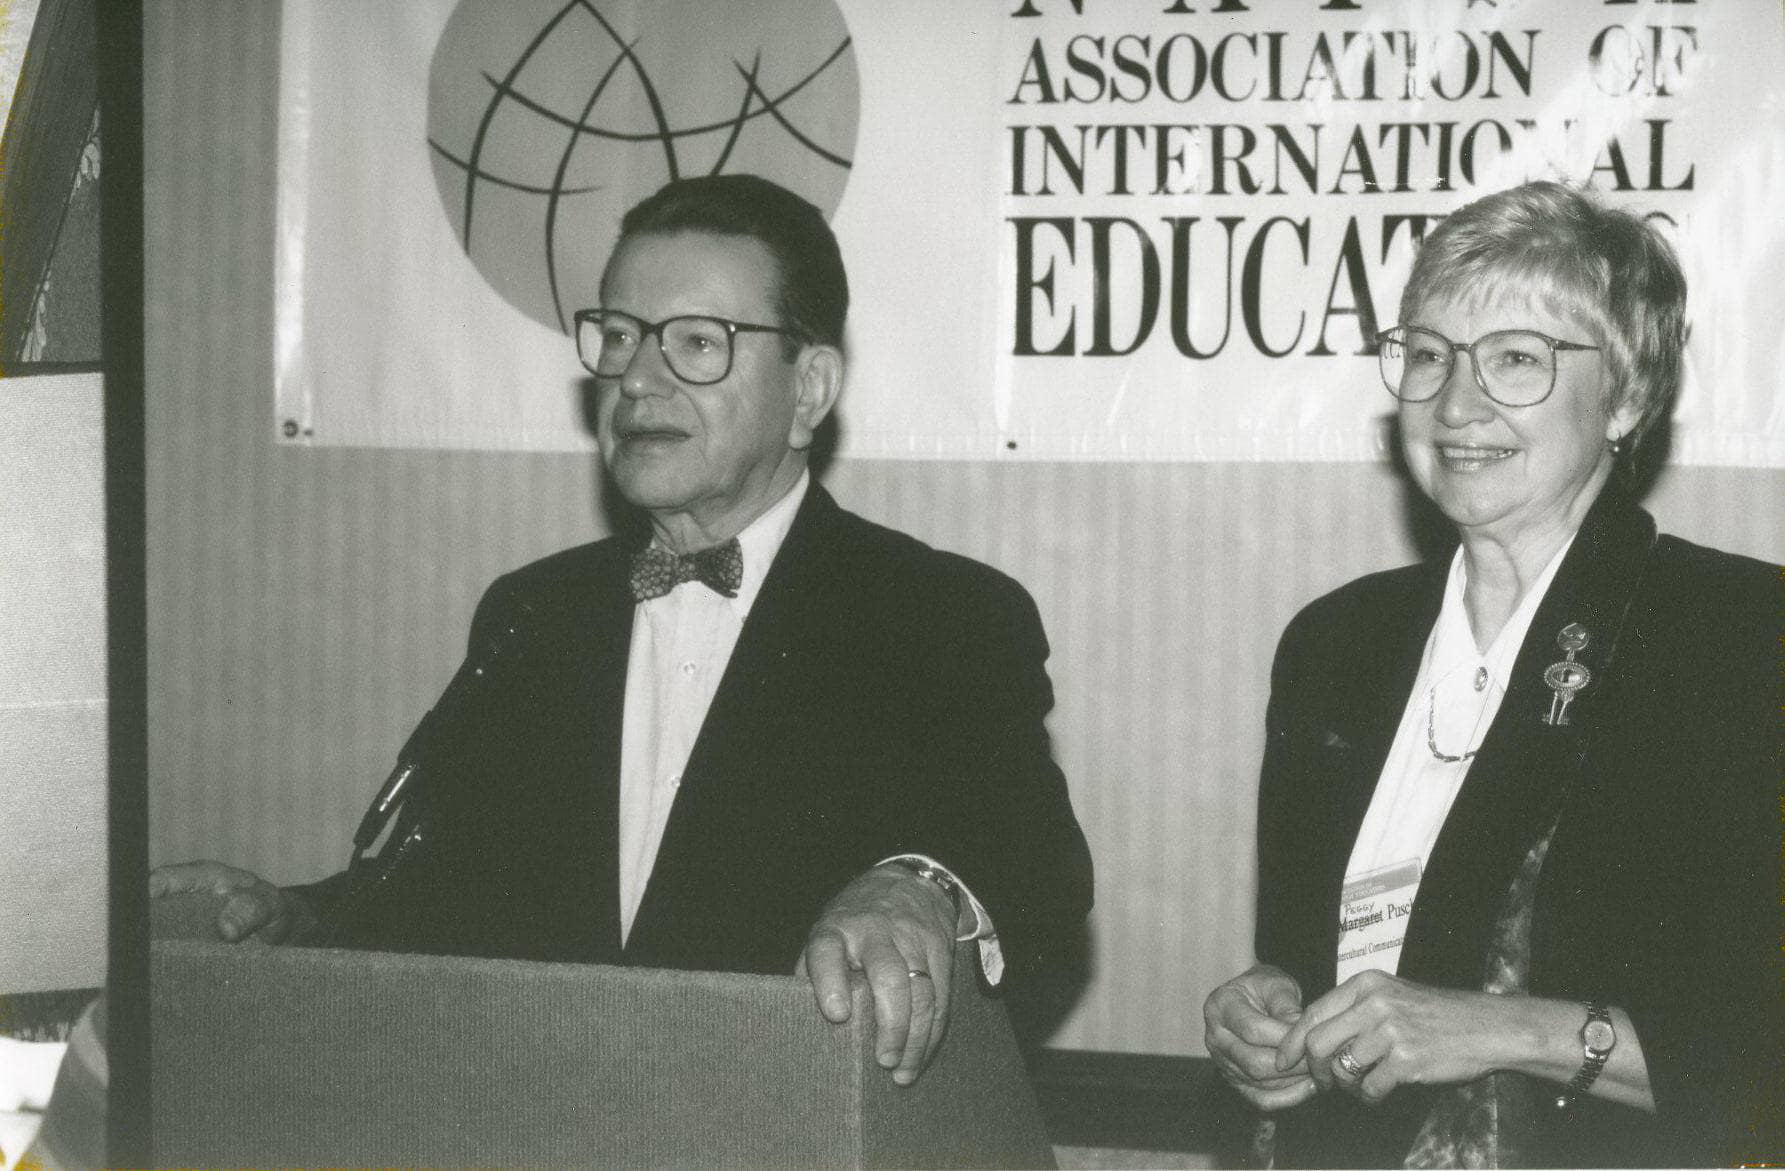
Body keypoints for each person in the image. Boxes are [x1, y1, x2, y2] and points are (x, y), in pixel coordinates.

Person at [152, 173, 1092, 1087]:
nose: (638, 379)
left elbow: (1036, 864)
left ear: (808, 388)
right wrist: (292, 921)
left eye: (696, 341)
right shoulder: (535, 612)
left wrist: (918, 886)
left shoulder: (939, 612)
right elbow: (437, 893)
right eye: (621, 336)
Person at [1203, 181, 1780, 1167]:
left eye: (1516, 359)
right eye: (1428, 355)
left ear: (1629, 394)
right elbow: (1324, 971)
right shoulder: (1336, 646)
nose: (1456, 403)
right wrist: (1267, 1024)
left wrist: (1508, 1031)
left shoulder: (1740, 639)